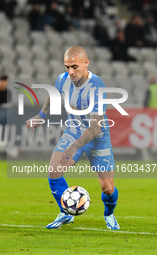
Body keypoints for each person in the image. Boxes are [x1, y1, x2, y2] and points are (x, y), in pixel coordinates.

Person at [26, 46, 119, 230]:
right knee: (54, 171)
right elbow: (52, 96)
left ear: (86, 63)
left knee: (107, 188)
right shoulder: (63, 79)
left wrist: (75, 147)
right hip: (73, 131)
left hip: (98, 138)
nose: (70, 71)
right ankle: (65, 212)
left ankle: (109, 213)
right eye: (67, 67)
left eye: (74, 66)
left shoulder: (97, 86)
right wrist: (41, 116)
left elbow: (95, 126)